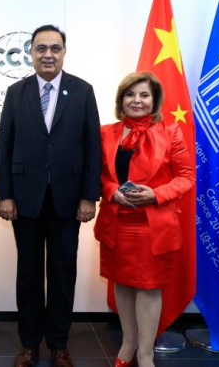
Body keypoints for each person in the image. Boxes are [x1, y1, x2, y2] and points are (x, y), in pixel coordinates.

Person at [0, 24, 101, 367]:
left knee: (62, 273)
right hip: (25, 199)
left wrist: (89, 197)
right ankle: (29, 344)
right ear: (30, 53)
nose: (48, 54)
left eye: (55, 48)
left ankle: (58, 345)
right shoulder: (16, 92)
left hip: (67, 201)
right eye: (41, 48)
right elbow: (5, 145)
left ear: (64, 52)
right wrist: (5, 194)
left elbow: (92, 147)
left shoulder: (82, 91)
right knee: (28, 275)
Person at [93, 72, 195, 367]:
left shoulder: (171, 132)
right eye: (130, 94)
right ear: (121, 99)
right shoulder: (105, 133)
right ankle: (128, 345)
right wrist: (111, 192)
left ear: (154, 100)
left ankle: (146, 353)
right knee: (122, 284)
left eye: (144, 95)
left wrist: (156, 194)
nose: (136, 100)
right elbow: (96, 175)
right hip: (117, 222)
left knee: (149, 287)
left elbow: (186, 177)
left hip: (153, 226)